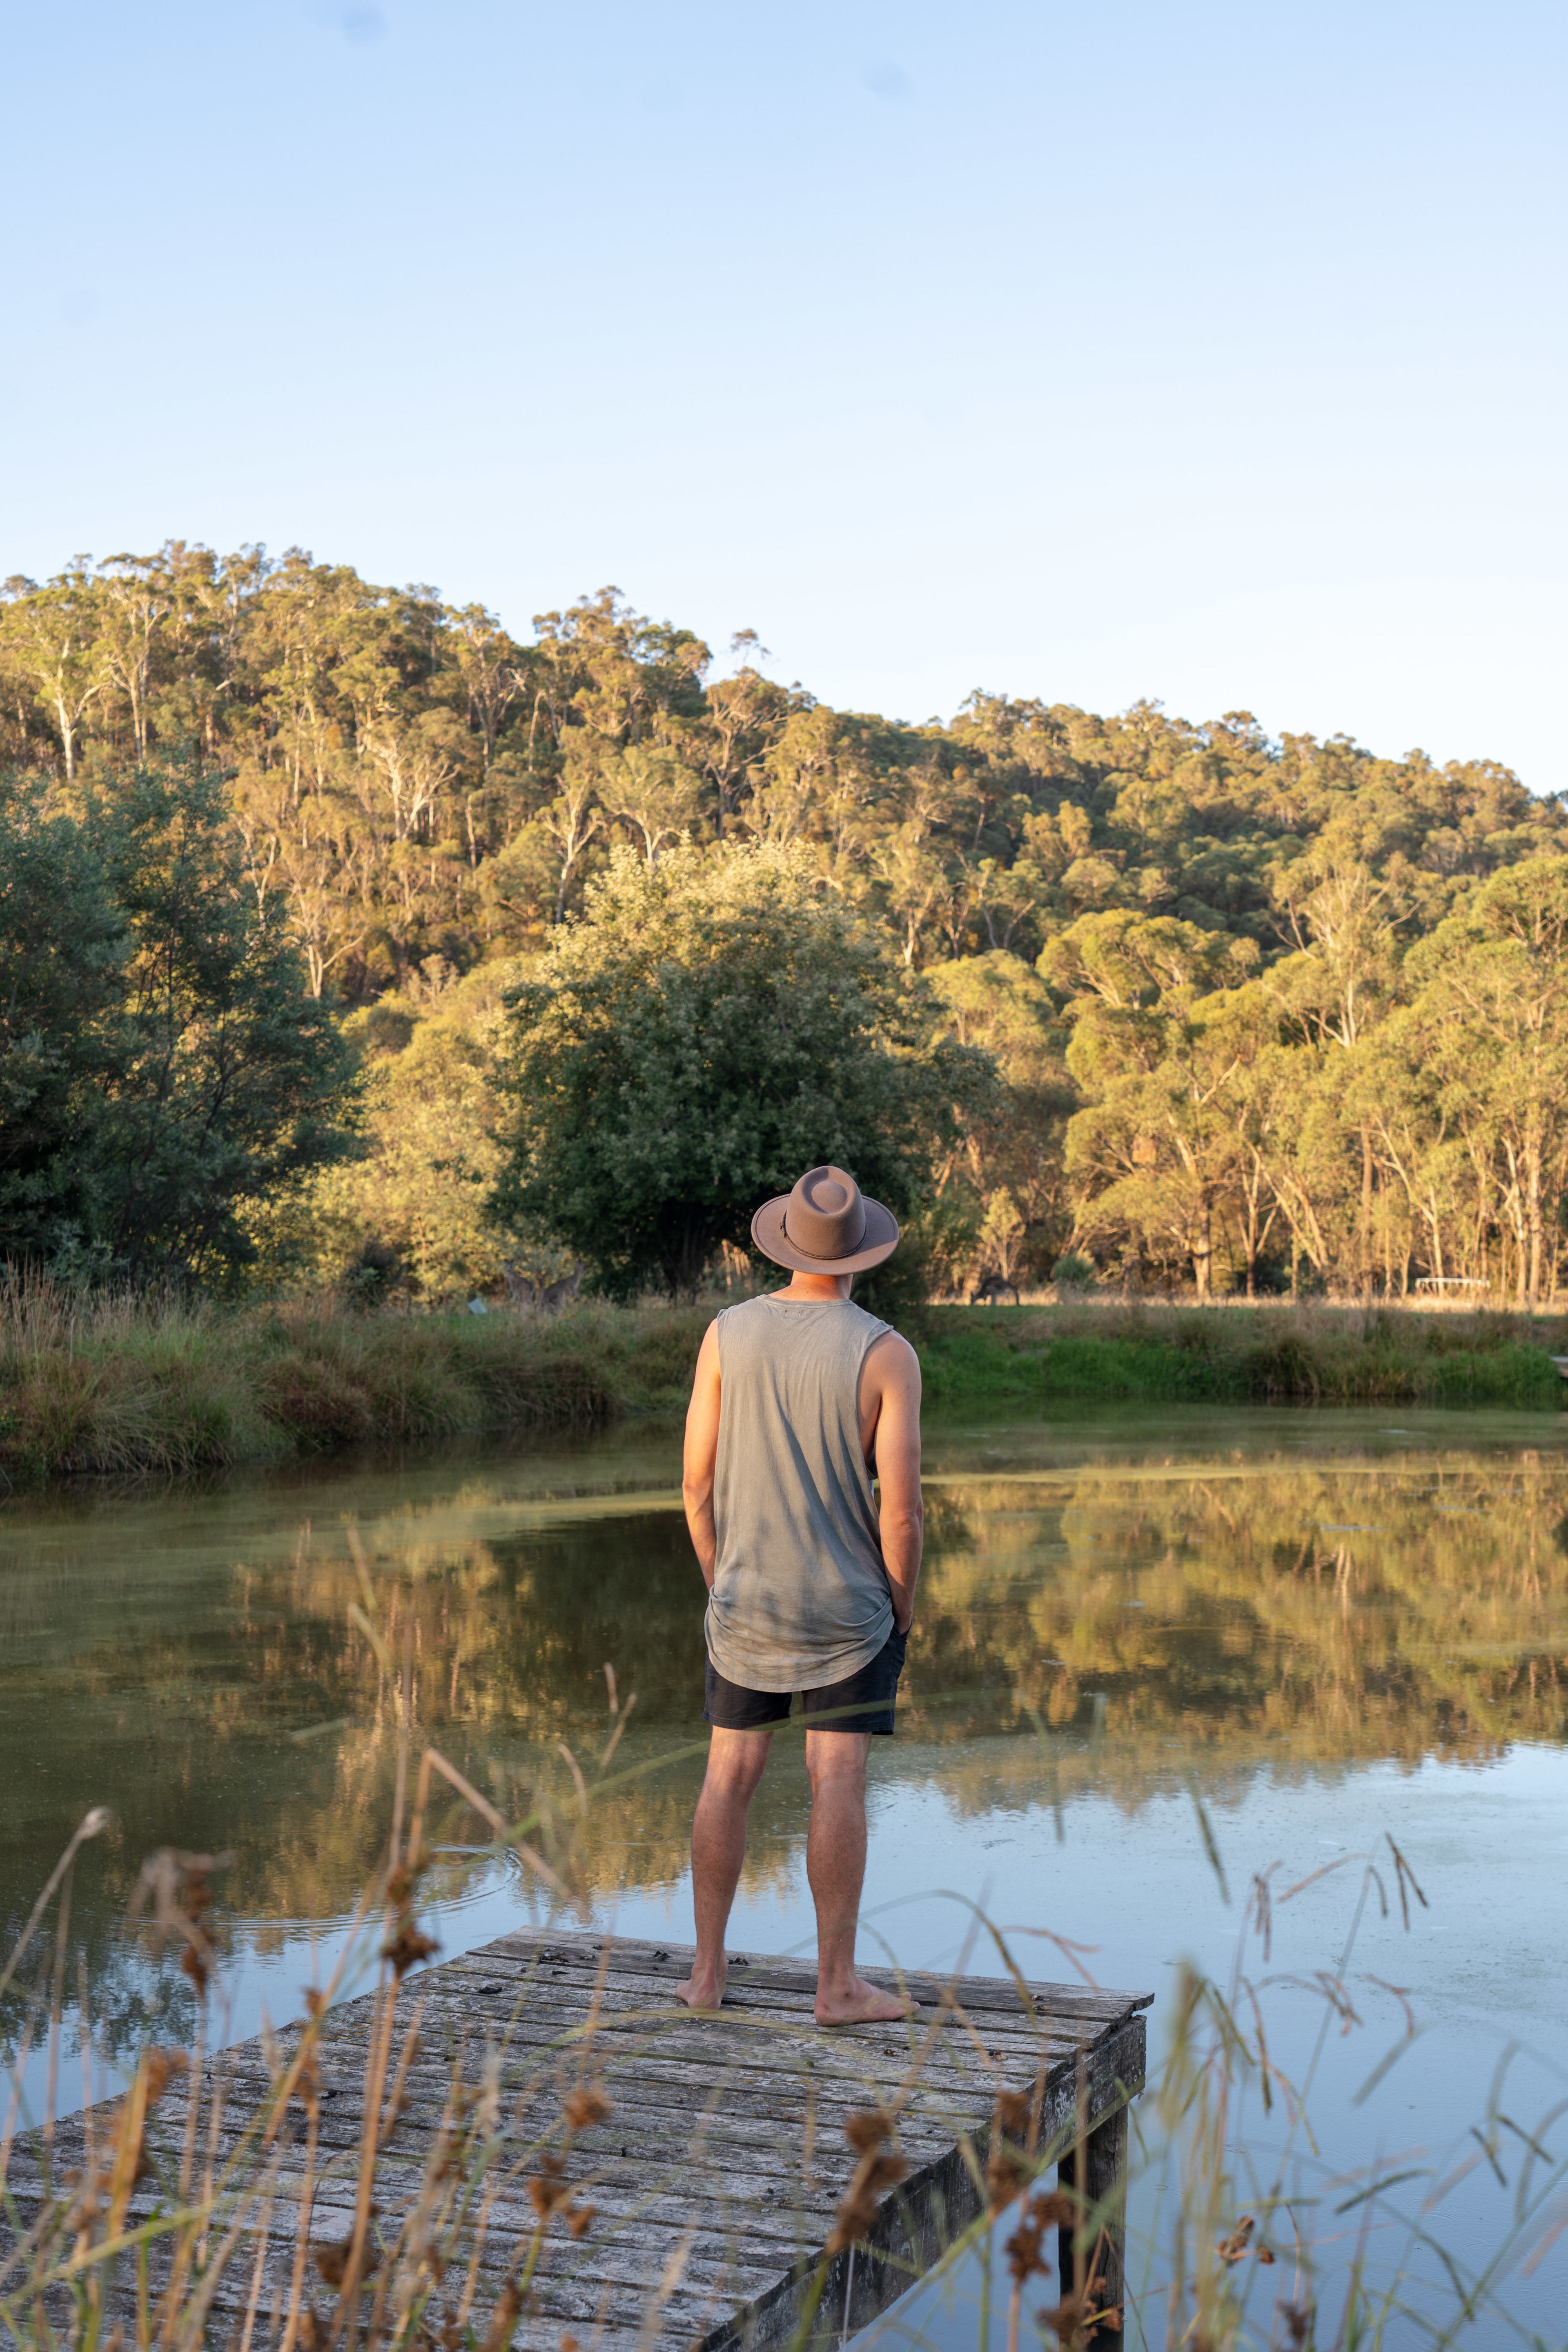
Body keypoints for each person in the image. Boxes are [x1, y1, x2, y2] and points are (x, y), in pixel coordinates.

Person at [676, 1165, 924, 2026]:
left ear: (786, 1245)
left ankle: (706, 1977)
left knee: (729, 1774)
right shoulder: (886, 1351)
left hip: (747, 1601)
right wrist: (903, 1604)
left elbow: (696, 1485)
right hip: (847, 1609)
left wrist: (723, 1583)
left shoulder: (725, 1335)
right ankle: (837, 1989)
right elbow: (902, 1511)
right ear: (860, 1255)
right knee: (837, 1779)